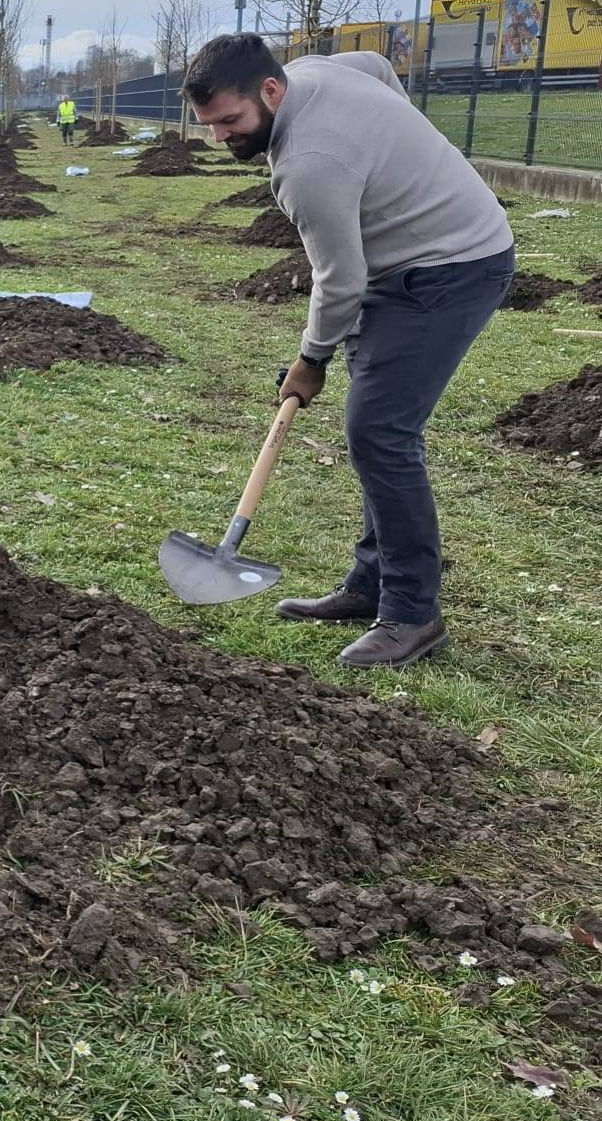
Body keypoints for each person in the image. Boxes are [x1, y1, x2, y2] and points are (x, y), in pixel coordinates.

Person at [184, 33, 514, 669]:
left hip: (454, 266)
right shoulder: (313, 71)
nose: (221, 136)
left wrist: (311, 361)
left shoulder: (309, 167)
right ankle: (372, 584)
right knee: (374, 427)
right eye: (209, 124)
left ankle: (412, 615)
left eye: (230, 120)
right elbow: (378, 65)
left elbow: (340, 281)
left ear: (270, 90)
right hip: (403, 265)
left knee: (381, 432)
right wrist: (393, 146)